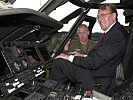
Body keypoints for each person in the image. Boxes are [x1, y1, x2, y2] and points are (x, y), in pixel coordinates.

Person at [51, 4, 129, 95]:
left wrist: (69, 58)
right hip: (100, 71)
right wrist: (82, 56)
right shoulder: (113, 32)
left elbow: (93, 62)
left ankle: (56, 94)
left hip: (96, 77)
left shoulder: (116, 35)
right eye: (98, 16)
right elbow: (101, 57)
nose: (99, 19)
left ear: (114, 15)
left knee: (58, 63)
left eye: (103, 15)